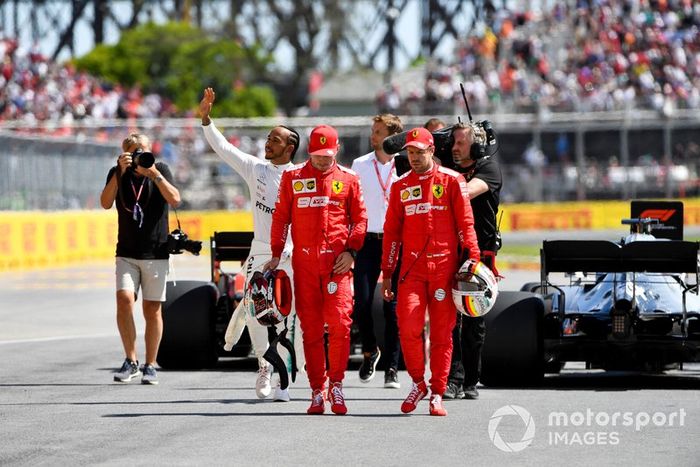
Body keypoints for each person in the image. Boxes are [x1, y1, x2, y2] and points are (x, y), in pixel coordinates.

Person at [199, 87, 304, 402]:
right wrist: (206, 119)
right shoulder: (256, 169)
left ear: (290, 146)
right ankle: (264, 367)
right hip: (260, 254)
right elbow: (224, 149)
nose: (267, 143)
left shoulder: (302, 176)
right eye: (268, 138)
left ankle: (291, 370)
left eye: (274, 139)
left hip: (293, 257)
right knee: (260, 312)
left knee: (292, 316)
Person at [266, 124, 367, 415]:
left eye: (327, 154)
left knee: (339, 324)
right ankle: (316, 391)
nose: (322, 160)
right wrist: (275, 254)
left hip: (338, 265)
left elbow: (360, 219)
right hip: (305, 265)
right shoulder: (293, 177)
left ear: (336, 150)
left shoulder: (349, 179)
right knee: (310, 330)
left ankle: (336, 385)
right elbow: (281, 218)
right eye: (317, 154)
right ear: (310, 151)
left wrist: (351, 251)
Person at [381, 127, 480, 416]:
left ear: (431, 151)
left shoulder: (452, 180)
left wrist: (472, 259)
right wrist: (387, 272)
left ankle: (437, 391)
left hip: (444, 272)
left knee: (441, 334)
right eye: (409, 152)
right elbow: (391, 234)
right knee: (409, 327)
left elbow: (466, 224)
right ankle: (417, 383)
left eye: (418, 152)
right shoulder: (400, 187)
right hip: (411, 272)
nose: (413, 157)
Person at [101, 133, 181, 385]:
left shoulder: (161, 170)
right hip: (126, 251)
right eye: (134, 151)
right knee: (124, 299)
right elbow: (105, 203)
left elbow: (175, 199)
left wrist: (154, 174)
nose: (140, 156)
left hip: (155, 251)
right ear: (126, 154)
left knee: (152, 309)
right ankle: (131, 359)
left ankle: (150, 364)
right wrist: (119, 172)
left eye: (144, 150)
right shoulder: (118, 172)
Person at [445, 122, 502, 400]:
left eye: (460, 143)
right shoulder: (447, 167)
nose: (454, 148)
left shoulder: (488, 169)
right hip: (450, 251)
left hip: (480, 255)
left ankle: (471, 379)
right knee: (449, 317)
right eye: (452, 143)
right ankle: (453, 379)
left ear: (477, 145)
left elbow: (463, 193)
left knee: (473, 316)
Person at [350, 113, 403, 388]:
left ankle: (392, 368)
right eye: (373, 130)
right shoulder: (359, 164)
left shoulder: (405, 165)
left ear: (392, 136)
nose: (373, 136)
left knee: (393, 308)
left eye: (378, 131)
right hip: (367, 241)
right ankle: (370, 351)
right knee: (361, 303)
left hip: (396, 242)